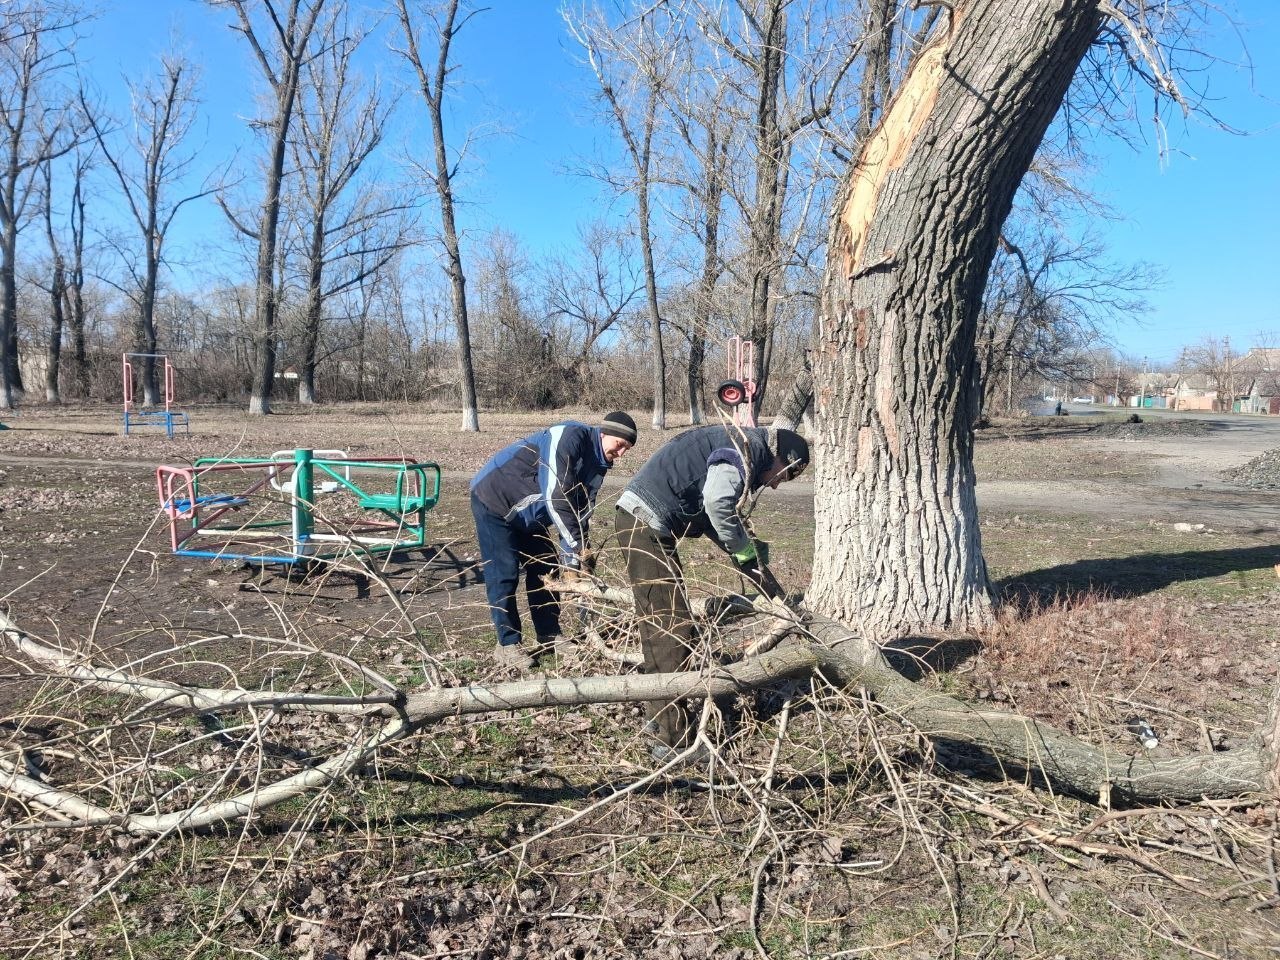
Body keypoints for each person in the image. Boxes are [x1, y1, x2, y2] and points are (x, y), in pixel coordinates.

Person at [614, 424, 810, 758]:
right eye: (784, 475)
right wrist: (742, 547)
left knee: (660, 626)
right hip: (645, 524)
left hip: (640, 522)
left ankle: (657, 717)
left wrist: (744, 550)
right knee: (670, 630)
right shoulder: (744, 452)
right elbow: (718, 503)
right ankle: (671, 741)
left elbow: (710, 516)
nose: (777, 484)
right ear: (780, 458)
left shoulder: (739, 446)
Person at [471, 412, 637, 670]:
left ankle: (548, 634)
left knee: (546, 566)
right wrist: (576, 549)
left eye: (627, 449)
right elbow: (558, 497)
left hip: (530, 514)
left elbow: (582, 510)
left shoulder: (598, 466)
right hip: (494, 499)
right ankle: (507, 644)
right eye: (620, 444)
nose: (622, 453)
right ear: (604, 433)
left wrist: (578, 559)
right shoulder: (569, 436)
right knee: (503, 572)